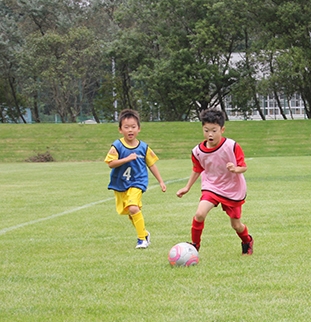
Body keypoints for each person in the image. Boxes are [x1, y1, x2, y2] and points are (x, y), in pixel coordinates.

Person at [176, 108, 253, 255]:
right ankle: (194, 246)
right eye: (206, 130)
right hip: (211, 186)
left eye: (214, 130)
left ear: (222, 129)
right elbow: (197, 169)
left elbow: (243, 167)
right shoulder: (197, 151)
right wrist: (187, 187)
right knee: (199, 214)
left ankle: (247, 240)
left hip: (232, 189)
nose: (210, 134)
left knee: (236, 225)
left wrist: (235, 169)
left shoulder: (231, 146)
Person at [105, 109, 166, 249]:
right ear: (120, 129)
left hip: (138, 182)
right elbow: (110, 163)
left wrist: (161, 181)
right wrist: (126, 159)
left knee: (133, 208)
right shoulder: (117, 146)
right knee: (130, 213)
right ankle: (144, 233)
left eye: (133, 127)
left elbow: (152, 164)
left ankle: (141, 240)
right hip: (121, 183)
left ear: (139, 128)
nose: (130, 130)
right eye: (126, 127)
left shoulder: (144, 148)